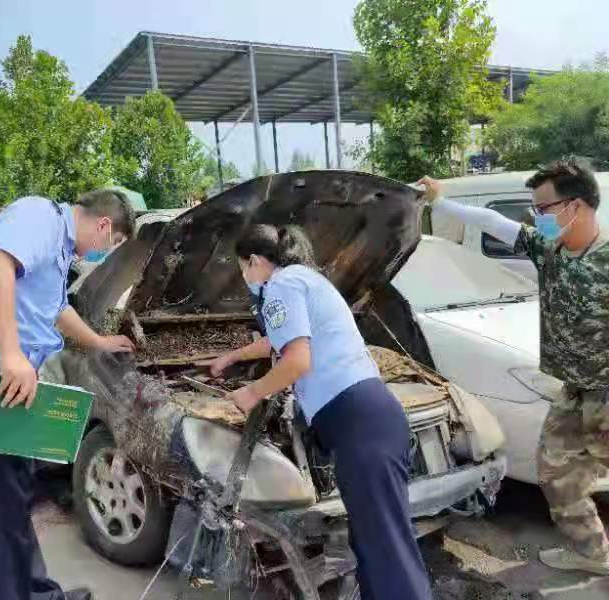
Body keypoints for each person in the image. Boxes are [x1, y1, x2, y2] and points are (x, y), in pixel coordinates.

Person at [201, 225, 432, 600]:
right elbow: (280, 339)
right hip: (370, 415)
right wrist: (232, 356)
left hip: (357, 422)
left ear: (255, 261)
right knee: (377, 540)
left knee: (386, 546)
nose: (245, 277)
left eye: (243, 267)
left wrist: (252, 392)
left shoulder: (280, 286)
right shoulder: (306, 279)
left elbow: (297, 360)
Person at [0, 190, 137, 600]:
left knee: (16, 491)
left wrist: (97, 341)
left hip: (8, 375)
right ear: (103, 226)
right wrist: (10, 353)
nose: (105, 253)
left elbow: (56, 308)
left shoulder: (59, 250)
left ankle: (37, 592)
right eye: (111, 245)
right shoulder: (38, 216)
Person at [418, 158, 609, 576]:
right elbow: (491, 222)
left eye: (542, 209)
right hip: (574, 390)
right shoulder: (550, 249)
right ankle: (592, 553)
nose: (535, 218)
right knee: (555, 471)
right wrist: (441, 203)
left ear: (575, 205)